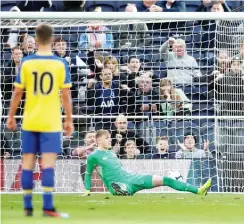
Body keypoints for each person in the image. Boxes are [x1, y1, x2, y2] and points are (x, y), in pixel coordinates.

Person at [6, 24, 74, 217]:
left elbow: (17, 92)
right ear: (52, 40)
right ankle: (48, 207)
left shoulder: (27, 63)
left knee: (28, 162)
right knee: (48, 165)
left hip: (30, 120)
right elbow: (66, 95)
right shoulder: (60, 64)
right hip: (51, 122)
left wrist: (11, 117)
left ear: (35, 40)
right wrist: (69, 120)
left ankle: (27, 208)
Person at [82, 130, 212, 196]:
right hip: (115, 184)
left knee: (165, 179)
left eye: (110, 138)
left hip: (130, 178)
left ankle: (199, 191)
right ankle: (121, 190)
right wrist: (87, 190)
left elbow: (118, 169)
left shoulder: (111, 153)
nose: (110, 140)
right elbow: (88, 174)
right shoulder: (93, 156)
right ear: (99, 140)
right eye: (107, 138)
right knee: (120, 186)